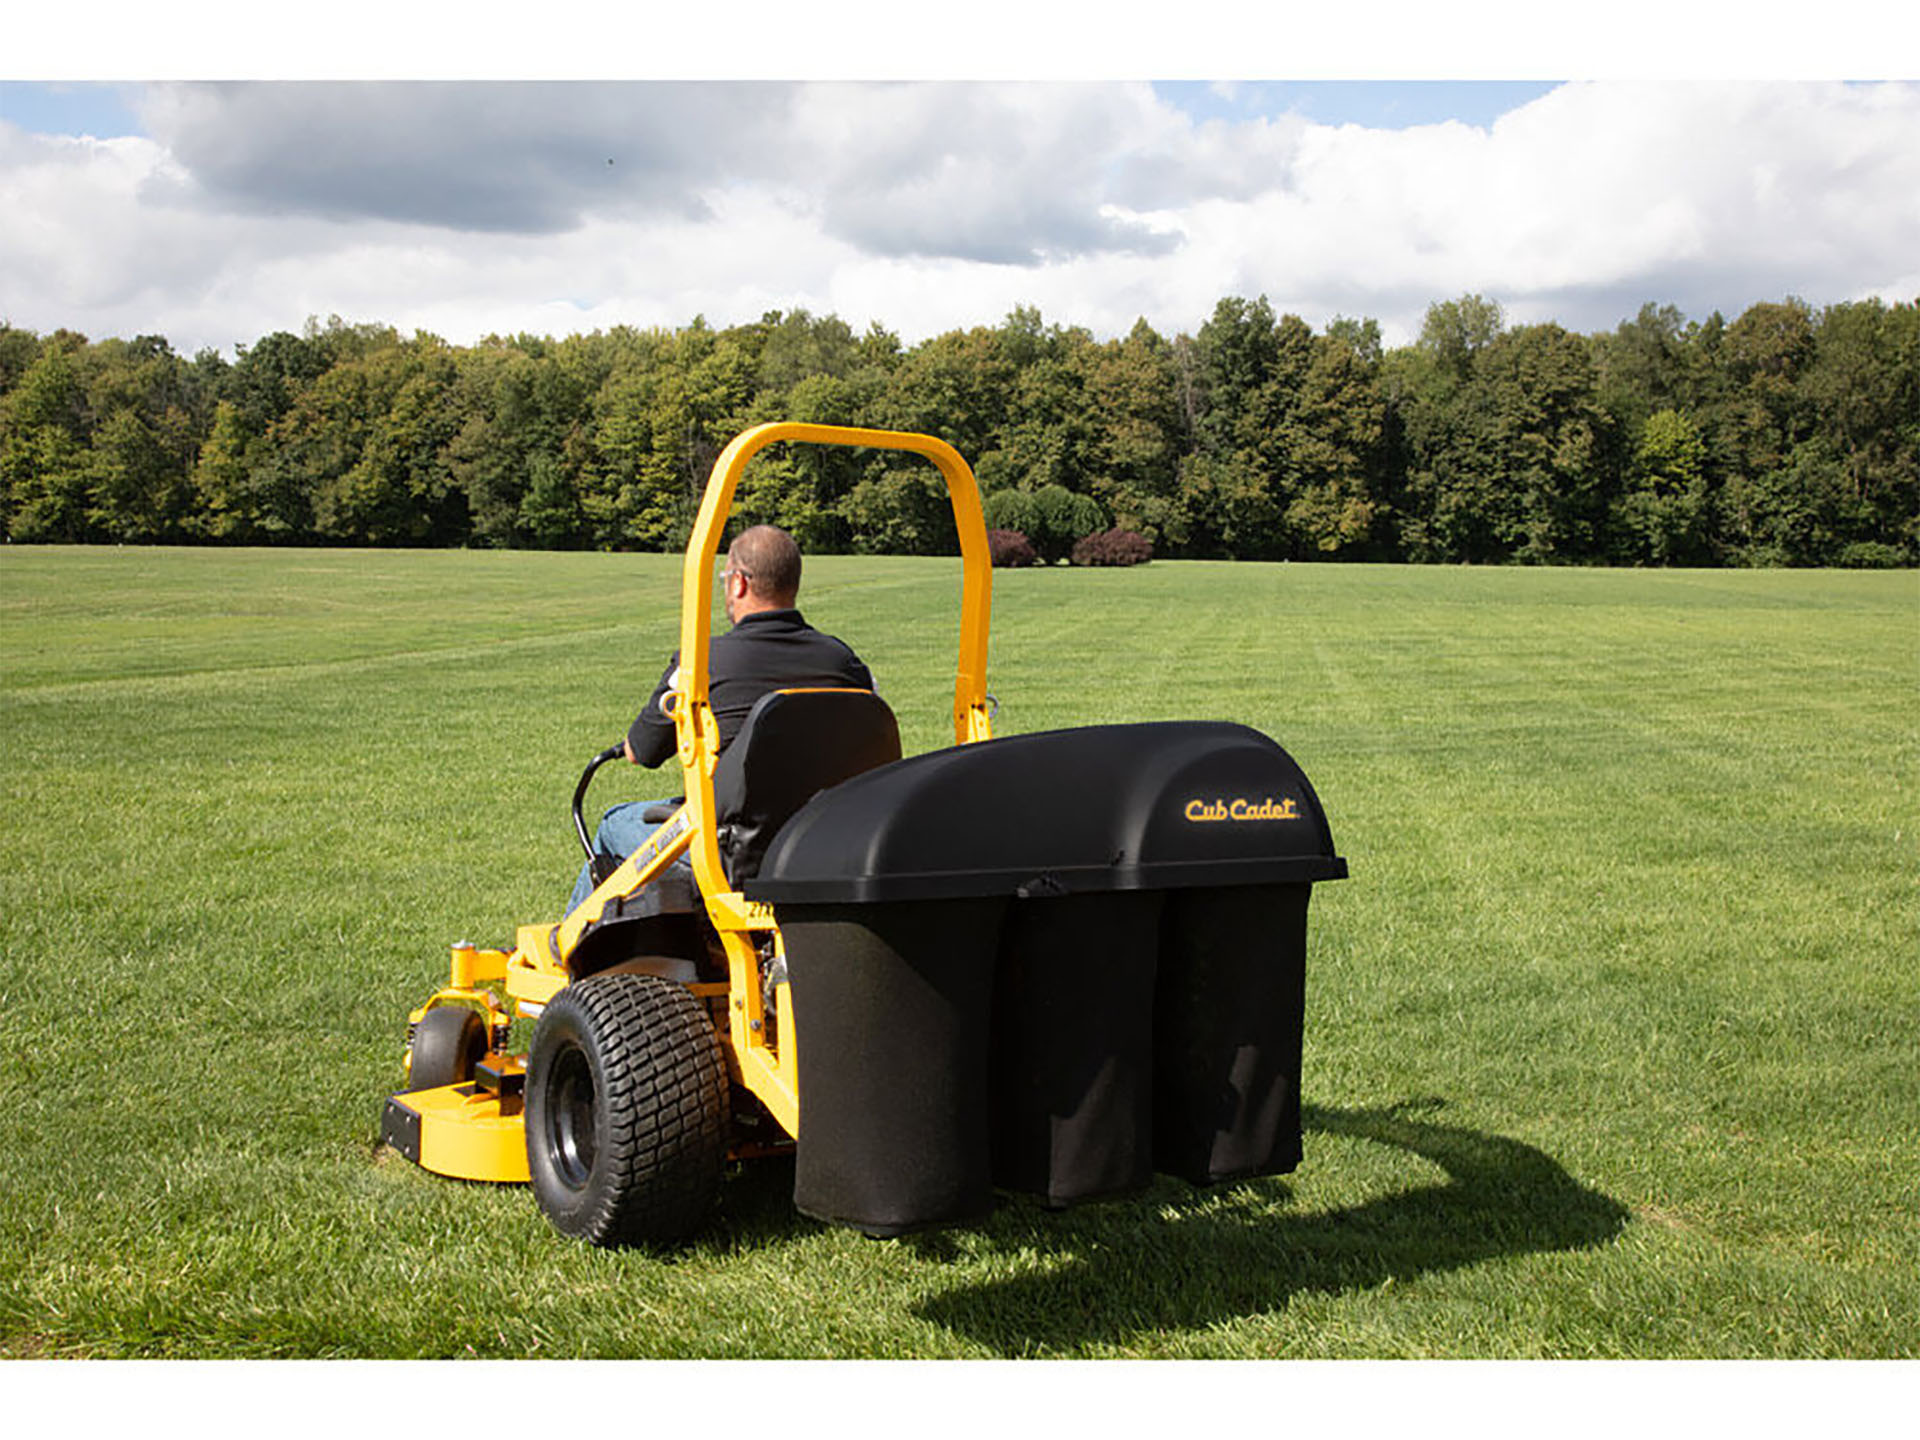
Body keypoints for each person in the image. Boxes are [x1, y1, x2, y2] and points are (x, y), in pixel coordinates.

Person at [566, 524, 874, 914]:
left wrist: (629, 744)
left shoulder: (701, 663)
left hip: (733, 854)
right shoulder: (844, 662)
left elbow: (641, 751)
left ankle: (568, 955)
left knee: (613, 824)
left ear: (740, 584)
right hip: (823, 846)